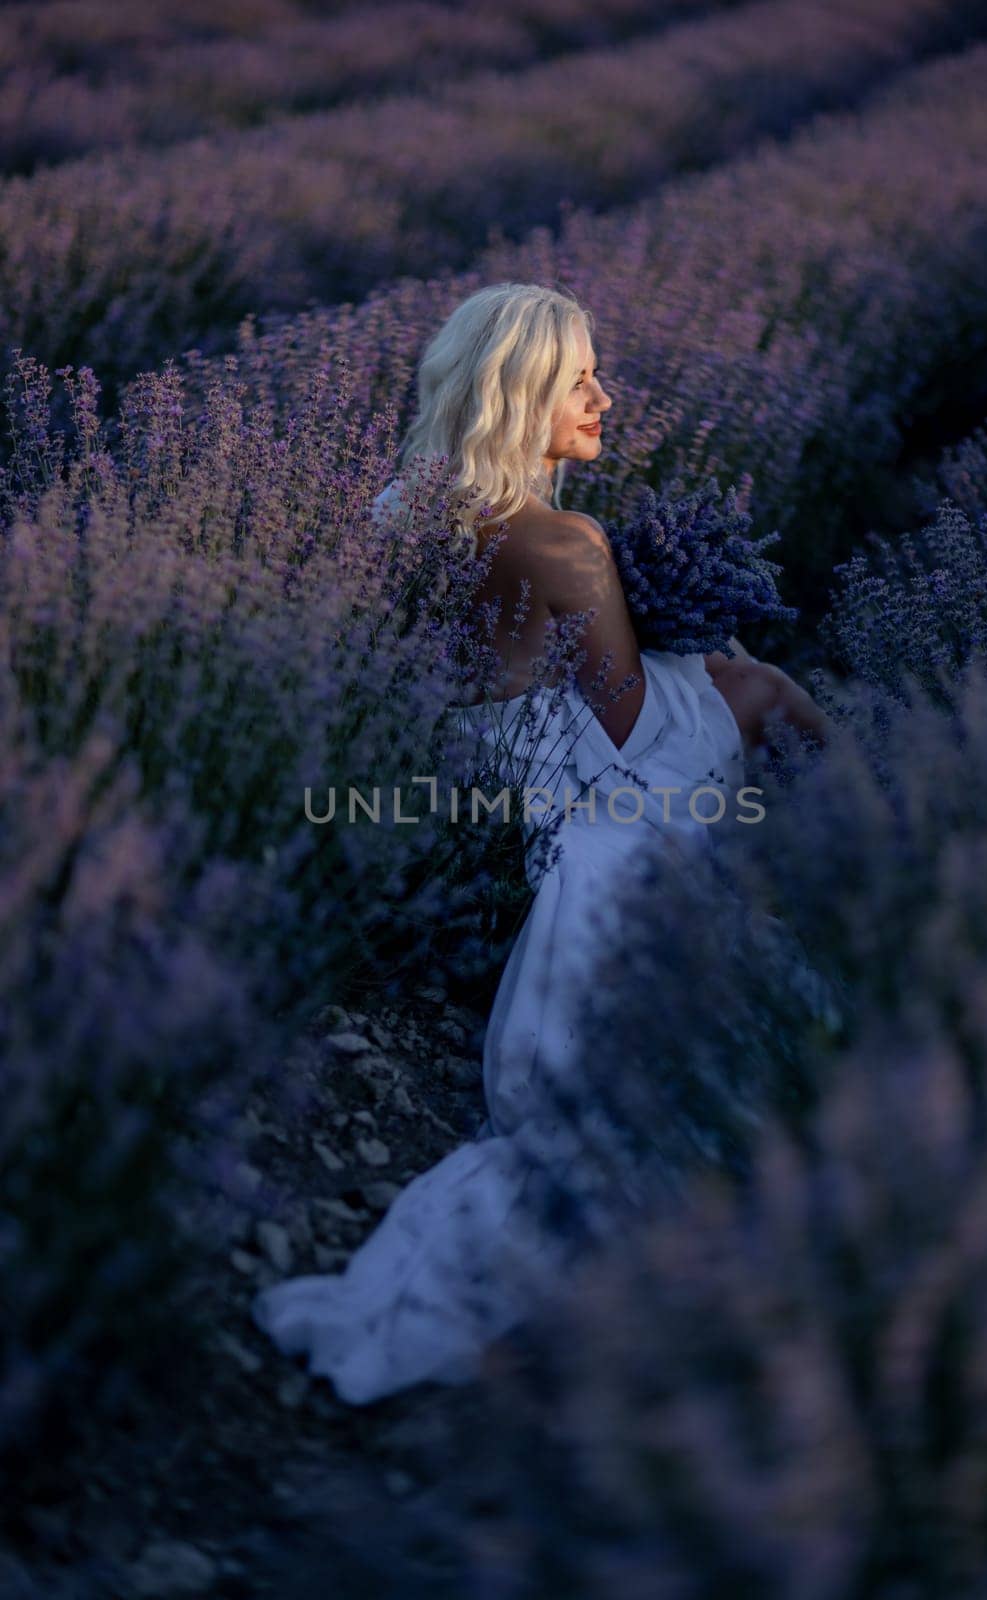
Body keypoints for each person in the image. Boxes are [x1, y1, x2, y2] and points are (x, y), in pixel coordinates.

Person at [250, 283, 830, 1403]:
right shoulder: (567, 539)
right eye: (581, 380)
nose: (605, 396)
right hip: (572, 760)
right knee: (760, 690)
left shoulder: (391, 506)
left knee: (727, 679)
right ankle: (865, 857)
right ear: (522, 396)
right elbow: (616, 716)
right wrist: (688, 631)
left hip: (460, 760)